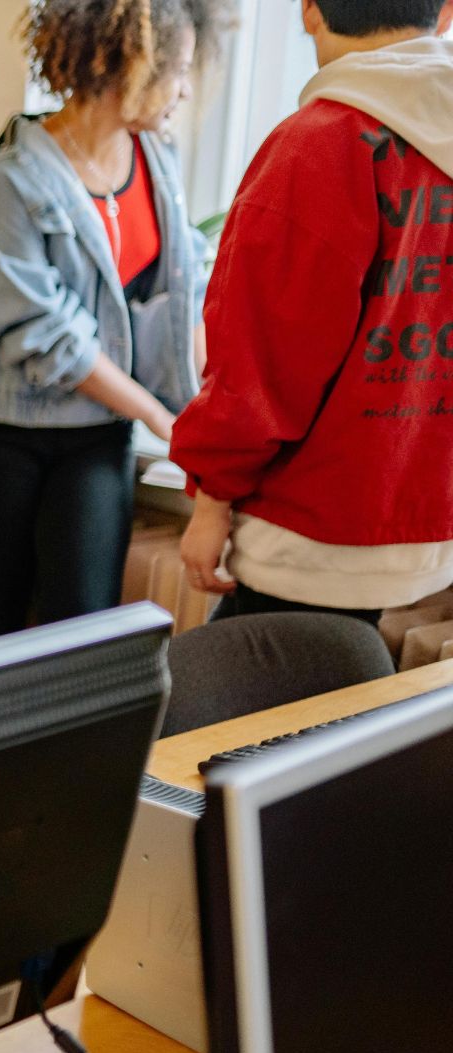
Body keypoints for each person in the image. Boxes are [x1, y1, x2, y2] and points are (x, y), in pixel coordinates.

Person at [0, 0, 213, 647]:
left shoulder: (158, 162)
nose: (185, 90)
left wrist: (206, 418)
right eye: (178, 70)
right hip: (2, 437)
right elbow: (48, 335)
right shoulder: (10, 179)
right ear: (131, 66)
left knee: (81, 638)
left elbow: (185, 295)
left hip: (96, 439)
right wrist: (160, 417)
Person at [173, 0, 453, 625]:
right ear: (445, 15)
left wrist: (212, 501)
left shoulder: (316, 145)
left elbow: (261, 362)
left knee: (248, 686)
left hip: (305, 532)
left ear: (308, 11)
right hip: (423, 516)